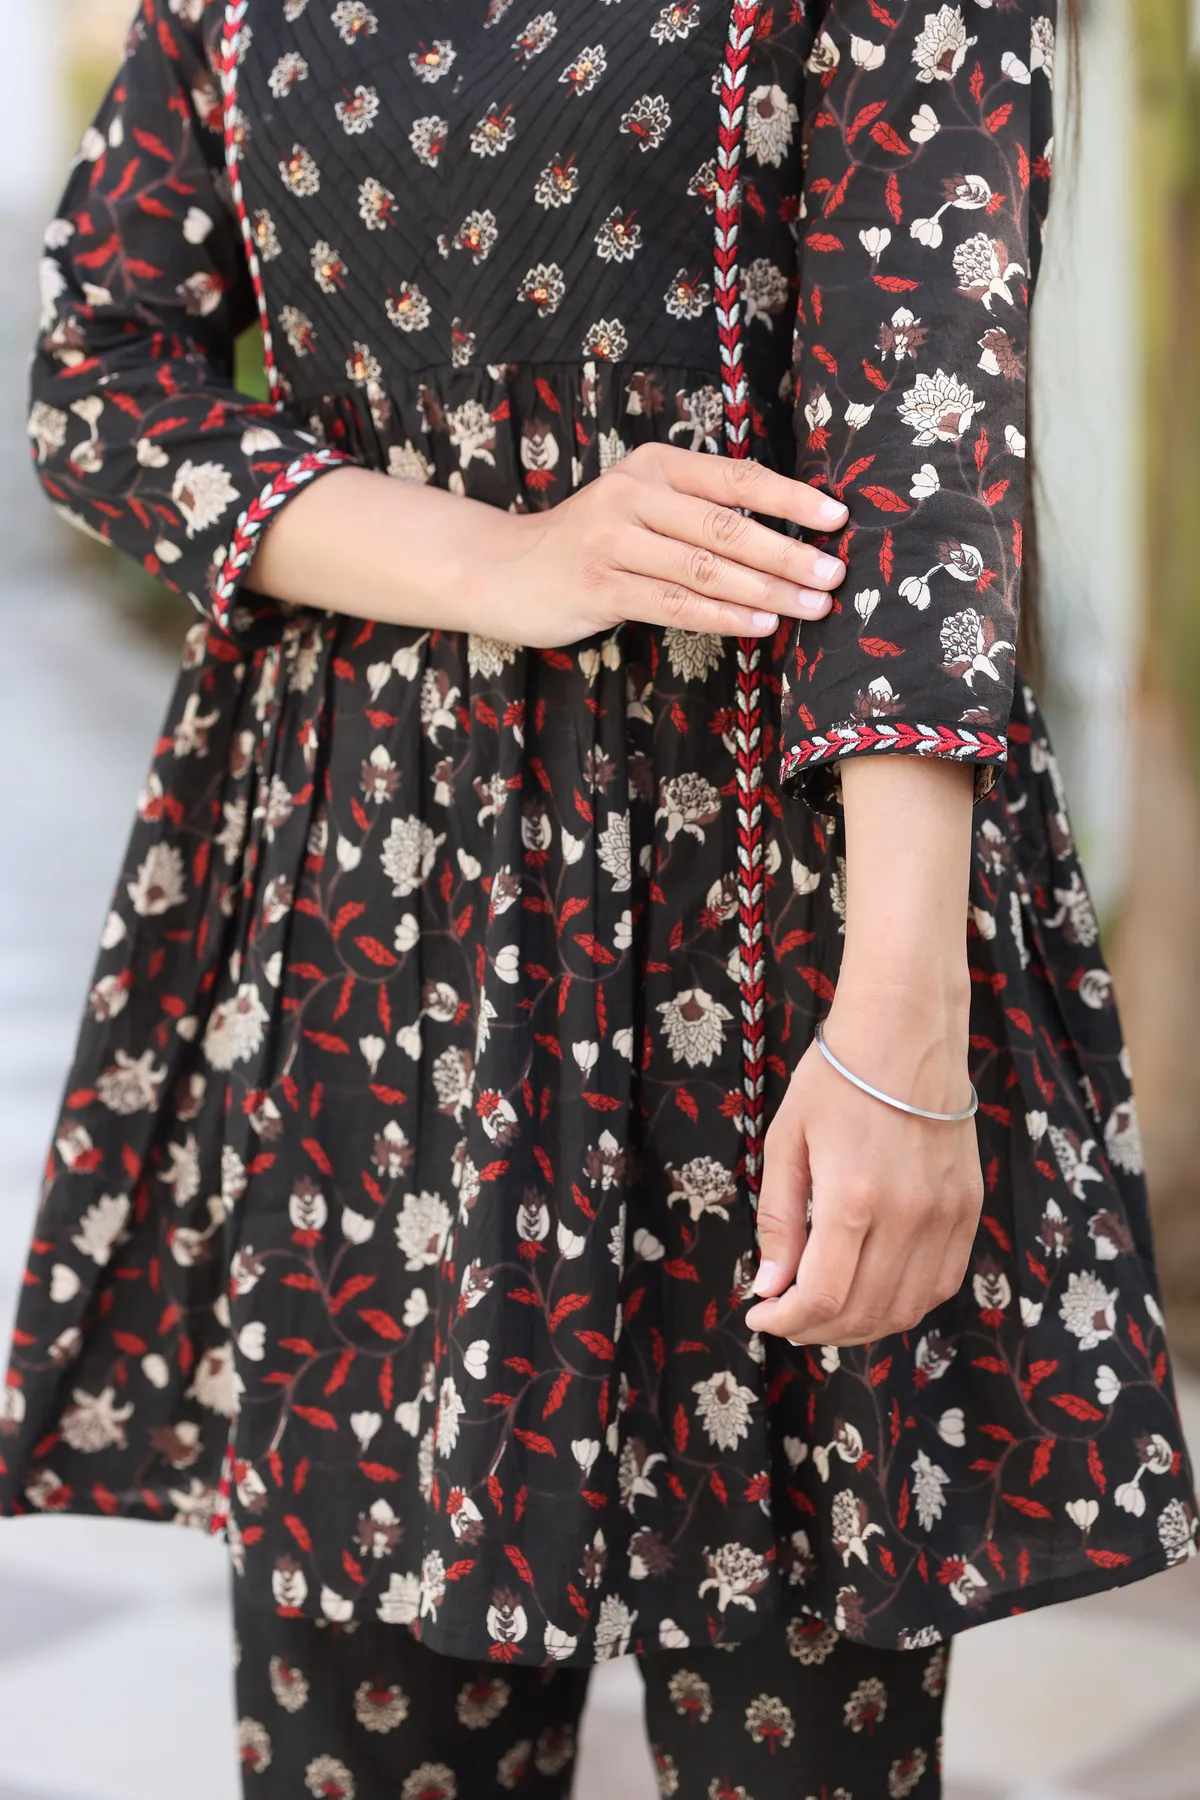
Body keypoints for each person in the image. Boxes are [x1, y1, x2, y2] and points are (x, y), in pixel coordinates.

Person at [3, 0, 1196, 1794]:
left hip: (770, 924)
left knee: (797, 1736)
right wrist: (504, 560)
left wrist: (899, 1024)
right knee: (364, 1732)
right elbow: (100, 378)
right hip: (373, 931)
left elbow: (918, 457)